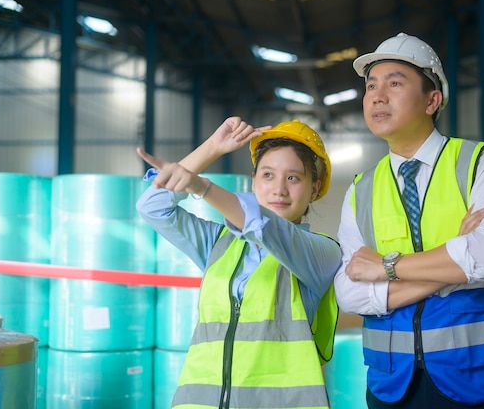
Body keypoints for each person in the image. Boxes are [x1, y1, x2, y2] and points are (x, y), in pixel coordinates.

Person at [334, 32, 484, 408]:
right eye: (371, 85)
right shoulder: (361, 189)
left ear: (432, 99)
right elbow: (350, 291)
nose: (377, 95)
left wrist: (386, 268)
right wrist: (452, 262)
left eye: (394, 83)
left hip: (482, 378)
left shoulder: (478, 162)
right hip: (393, 386)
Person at [136, 117, 341, 409]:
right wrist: (213, 148)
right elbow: (152, 207)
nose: (279, 189)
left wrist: (202, 186)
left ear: (314, 188)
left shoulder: (321, 253)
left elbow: (265, 226)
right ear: (253, 181)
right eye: (268, 175)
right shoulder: (218, 244)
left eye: (293, 178)